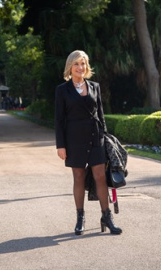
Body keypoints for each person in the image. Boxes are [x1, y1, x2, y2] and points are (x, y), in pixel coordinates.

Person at [55, 50, 122, 235]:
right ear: (70, 67)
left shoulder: (94, 87)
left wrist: (106, 138)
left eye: (83, 63)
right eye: (76, 64)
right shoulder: (62, 90)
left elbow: (101, 115)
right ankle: (80, 217)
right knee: (79, 177)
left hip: (95, 137)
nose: (80, 67)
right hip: (73, 140)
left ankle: (107, 217)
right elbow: (59, 120)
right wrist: (60, 145)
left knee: (100, 176)